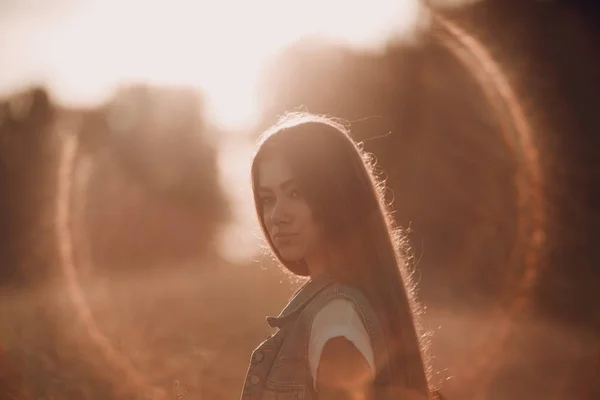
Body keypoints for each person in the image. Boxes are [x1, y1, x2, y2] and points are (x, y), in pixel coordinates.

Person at [240, 112, 440, 400]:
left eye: (296, 193)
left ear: (335, 197)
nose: (277, 215)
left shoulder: (335, 320)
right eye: (268, 198)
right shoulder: (337, 310)